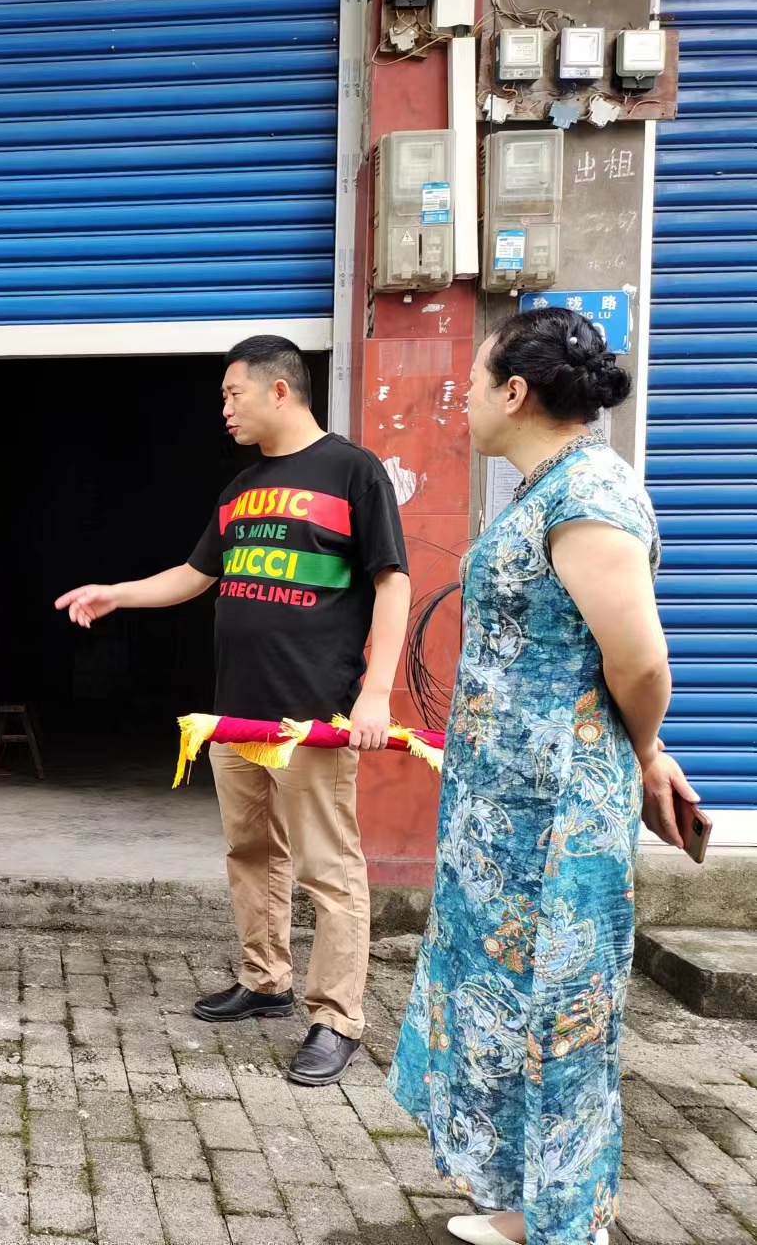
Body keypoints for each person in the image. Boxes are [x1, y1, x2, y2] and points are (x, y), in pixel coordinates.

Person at [388, 308, 696, 1245]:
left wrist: (646, 751)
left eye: (475, 385)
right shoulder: (549, 486)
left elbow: (639, 661)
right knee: (508, 1006)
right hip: (505, 814)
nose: (464, 403)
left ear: (514, 392)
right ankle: (528, 1208)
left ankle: (571, 1226)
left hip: (555, 813)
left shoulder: (588, 495)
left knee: (560, 1013)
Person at [56, 335, 410, 1086]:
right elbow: (194, 575)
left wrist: (377, 691)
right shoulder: (241, 488)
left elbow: (392, 582)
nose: (223, 408)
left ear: (279, 390)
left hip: (312, 717)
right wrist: (116, 594)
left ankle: (337, 1017)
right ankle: (265, 980)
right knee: (252, 854)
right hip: (236, 715)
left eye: (231, 393)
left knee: (329, 871)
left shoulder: (354, 471)